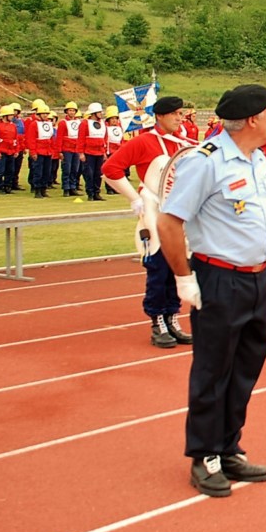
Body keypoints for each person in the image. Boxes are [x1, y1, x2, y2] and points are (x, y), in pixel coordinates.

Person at [158, 84, 266, 497]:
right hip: (219, 277)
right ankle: (204, 454)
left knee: (246, 368)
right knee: (213, 369)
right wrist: (183, 277)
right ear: (251, 120)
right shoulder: (205, 162)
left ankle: (228, 446)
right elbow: (169, 222)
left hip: (258, 278)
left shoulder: (257, 159)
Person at [102, 96, 196, 348]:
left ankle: (173, 316)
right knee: (158, 266)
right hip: (155, 209)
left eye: (181, 113)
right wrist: (134, 197)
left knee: (179, 264)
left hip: (180, 212)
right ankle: (158, 321)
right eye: (175, 113)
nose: (180, 118)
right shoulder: (144, 141)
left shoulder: (184, 143)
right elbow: (111, 169)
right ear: (160, 116)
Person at [78, 102, 108, 201]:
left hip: (99, 152)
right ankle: (90, 193)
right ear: (94, 113)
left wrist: (104, 152)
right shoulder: (85, 123)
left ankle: (97, 192)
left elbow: (104, 138)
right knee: (89, 174)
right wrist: (81, 153)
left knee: (98, 173)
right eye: (99, 112)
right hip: (89, 152)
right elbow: (81, 138)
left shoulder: (103, 123)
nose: (101, 114)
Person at [0, 105, 21, 195]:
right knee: (1, 170)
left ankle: (8, 186)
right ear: (5, 116)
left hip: (11, 152)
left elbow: (16, 139)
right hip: (2, 152)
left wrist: (16, 150)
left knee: (10, 170)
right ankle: (0, 186)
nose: (12, 117)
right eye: (10, 115)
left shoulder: (13, 126)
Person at [58, 102, 84, 197]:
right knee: (67, 169)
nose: (72, 112)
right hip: (66, 149)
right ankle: (66, 188)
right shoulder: (62, 123)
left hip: (76, 149)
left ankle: (73, 187)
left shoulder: (79, 122)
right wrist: (60, 151)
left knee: (75, 169)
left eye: (73, 110)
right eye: (70, 110)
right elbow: (59, 137)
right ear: (66, 112)